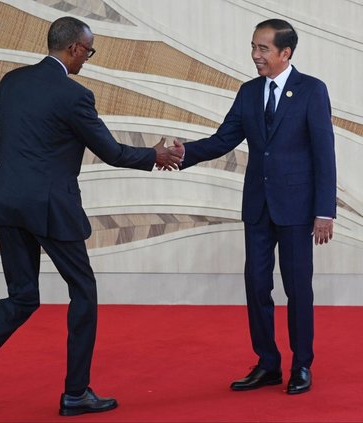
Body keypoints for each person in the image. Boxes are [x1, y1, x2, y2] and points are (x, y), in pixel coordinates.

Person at [0, 16, 182, 417]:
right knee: (83, 290)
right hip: (51, 208)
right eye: (89, 51)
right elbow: (112, 152)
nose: (88, 58)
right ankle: (76, 393)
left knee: (21, 297)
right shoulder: (75, 96)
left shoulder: (11, 83)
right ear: (74, 50)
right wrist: (155, 155)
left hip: (9, 205)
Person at [173, 19, 336, 395]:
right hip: (258, 208)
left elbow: (324, 154)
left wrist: (324, 211)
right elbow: (224, 139)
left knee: (298, 288)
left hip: (297, 209)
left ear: (285, 53)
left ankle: (301, 365)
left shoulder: (311, 90)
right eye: (253, 47)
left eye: (263, 49)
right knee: (256, 285)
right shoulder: (248, 92)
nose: (255, 55)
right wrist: (185, 154)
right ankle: (267, 363)